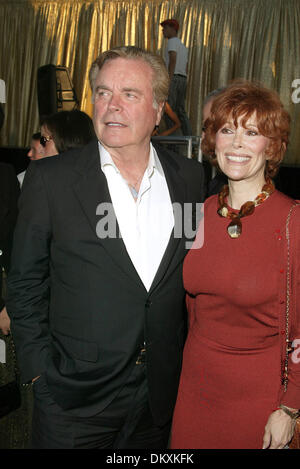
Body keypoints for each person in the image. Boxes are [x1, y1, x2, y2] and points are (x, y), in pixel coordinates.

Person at [7, 46, 206, 449]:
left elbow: (191, 266)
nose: (111, 105)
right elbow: (25, 283)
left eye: (129, 94)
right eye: (102, 92)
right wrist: (39, 376)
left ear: (158, 109)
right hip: (73, 401)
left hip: (159, 398)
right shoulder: (51, 180)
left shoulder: (189, 178)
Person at [170, 80, 300, 449]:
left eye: (253, 132)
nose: (237, 143)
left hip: (260, 403)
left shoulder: (294, 222)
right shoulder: (196, 213)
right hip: (194, 392)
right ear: (213, 140)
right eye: (227, 130)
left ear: (272, 145)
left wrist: (290, 408)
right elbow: (189, 306)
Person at [160, 19, 192, 136]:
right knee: (181, 110)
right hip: (182, 78)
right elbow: (186, 65)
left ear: (173, 29)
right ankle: (189, 136)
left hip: (174, 78)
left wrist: (169, 79)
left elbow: (173, 59)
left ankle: (173, 141)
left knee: (170, 111)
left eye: (165, 28)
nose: (163, 31)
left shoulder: (172, 42)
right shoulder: (182, 45)